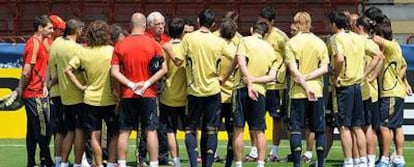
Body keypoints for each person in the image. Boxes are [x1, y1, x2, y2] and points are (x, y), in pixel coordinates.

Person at [165, 9, 234, 167]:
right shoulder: (218, 40)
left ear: (198, 21)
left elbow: (177, 61)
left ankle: (194, 165)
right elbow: (237, 57)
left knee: (190, 129)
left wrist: (168, 49)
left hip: (194, 91)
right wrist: (224, 77)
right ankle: (207, 165)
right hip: (213, 90)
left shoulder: (189, 38)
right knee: (211, 130)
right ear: (213, 24)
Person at [111, 12, 167, 167]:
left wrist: (131, 85)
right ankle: (154, 163)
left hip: (128, 94)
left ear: (130, 25)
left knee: (124, 131)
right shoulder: (153, 44)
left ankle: (121, 164)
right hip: (149, 93)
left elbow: (114, 72)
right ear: (145, 26)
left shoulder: (120, 45)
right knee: (151, 131)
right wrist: (147, 83)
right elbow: (163, 69)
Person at [65, 20, 119, 167]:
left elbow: (67, 70)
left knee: (94, 135)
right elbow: (116, 74)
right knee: (115, 133)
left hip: (90, 99)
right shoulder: (111, 50)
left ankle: (99, 164)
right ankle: (112, 162)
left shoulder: (84, 51)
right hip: (110, 98)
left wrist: (81, 87)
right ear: (106, 34)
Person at [285, 11, 329, 167]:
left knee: (296, 129)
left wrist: (303, 81)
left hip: (297, 91)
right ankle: (321, 163)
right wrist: (310, 79)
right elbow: (324, 69)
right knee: (319, 129)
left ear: (297, 23)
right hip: (316, 91)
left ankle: (297, 164)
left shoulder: (291, 43)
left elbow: (293, 69)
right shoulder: (320, 43)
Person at [232, 21, 277, 167]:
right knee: (260, 130)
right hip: (260, 91)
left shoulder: (244, 41)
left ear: (252, 29)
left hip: (242, 88)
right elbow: (271, 76)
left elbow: (241, 62)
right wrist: (255, 80)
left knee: (238, 128)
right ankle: (261, 163)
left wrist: (249, 81)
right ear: (266, 34)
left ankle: (238, 164)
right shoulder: (270, 49)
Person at [13, 14, 54, 167]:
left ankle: (32, 162)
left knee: (33, 129)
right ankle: (47, 160)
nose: (51, 31)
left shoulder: (44, 42)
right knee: (45, 128)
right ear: (40, 28)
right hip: (34, 93)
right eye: (49, 28)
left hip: (35, 91)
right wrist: (20, 89)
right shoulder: (34, 44)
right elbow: (26, 71)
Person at [328, 11, 367, 167]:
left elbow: (339, 58)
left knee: (344, 126)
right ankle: (362, 160)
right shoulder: (357, 38)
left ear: (334, 24)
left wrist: (336, 75)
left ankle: (349, 160)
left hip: (344, 85)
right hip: (358, 85)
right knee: (357, 126)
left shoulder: (335, 38)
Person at [372, 22, 410, 167]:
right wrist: (402, 81)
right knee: (397, 126)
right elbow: (404, 65)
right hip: (395, 91)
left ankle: (385, 158)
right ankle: (399, 157)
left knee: (384, 125)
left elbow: (376, 39)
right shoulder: (394, 49)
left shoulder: (392, 46)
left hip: (390, 93)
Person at [255, 6, 289, 162]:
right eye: (260, 21)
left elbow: (289, 57)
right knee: (256, 117)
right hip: (259, 84)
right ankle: (255, 151)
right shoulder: (257, 35)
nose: (262, 25)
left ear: (272, 22)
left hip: (275, 85)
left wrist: (281, 73)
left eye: (265, 22)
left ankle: (274, 151)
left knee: (276, 118)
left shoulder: (280, 37)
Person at [53, 18, 86, 167]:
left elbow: (58, 71)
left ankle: (63, 162)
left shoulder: (58, 46)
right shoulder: (77, 49)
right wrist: (82, 86)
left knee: (69, 131)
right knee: (79, 131)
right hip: (77, 95)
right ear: (77, 30)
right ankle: (79, 163)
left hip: (65, 95)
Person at [355, 16, 384, 167]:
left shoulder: (361, 42)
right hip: (369, 90)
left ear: (360, 27)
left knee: (363, 127)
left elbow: (380, 57)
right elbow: (381, 57)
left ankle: (365, 159)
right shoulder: (372, 42)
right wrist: (372, 76)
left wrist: (366, 75)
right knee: (368, 127)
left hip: (363, 89)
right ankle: (369, 160)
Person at [159, 17, 187, 167]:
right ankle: (192, 157)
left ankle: (175, 160)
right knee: (190, 129)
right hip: (187, 94)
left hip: (168, 95)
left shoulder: (165, 47)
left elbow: (162, 71)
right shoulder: (187, 47)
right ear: (183, 31)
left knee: (170, 130)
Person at [215, 18, 240, 167]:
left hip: (216, 94)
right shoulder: (237, 50)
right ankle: (229, 162)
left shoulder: (215, 47)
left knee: (213, 129)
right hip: (232, 95)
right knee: (232, 132)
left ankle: (212, 155)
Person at [45, 14, 66, 167]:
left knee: (56, 128)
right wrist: (49, 84)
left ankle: (55, 159)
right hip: (58, 92)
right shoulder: (53, 45)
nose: (59, 32)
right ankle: (57, 160)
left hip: (53, 91)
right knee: (59, 128)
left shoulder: (51, 44)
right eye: (57, 29)